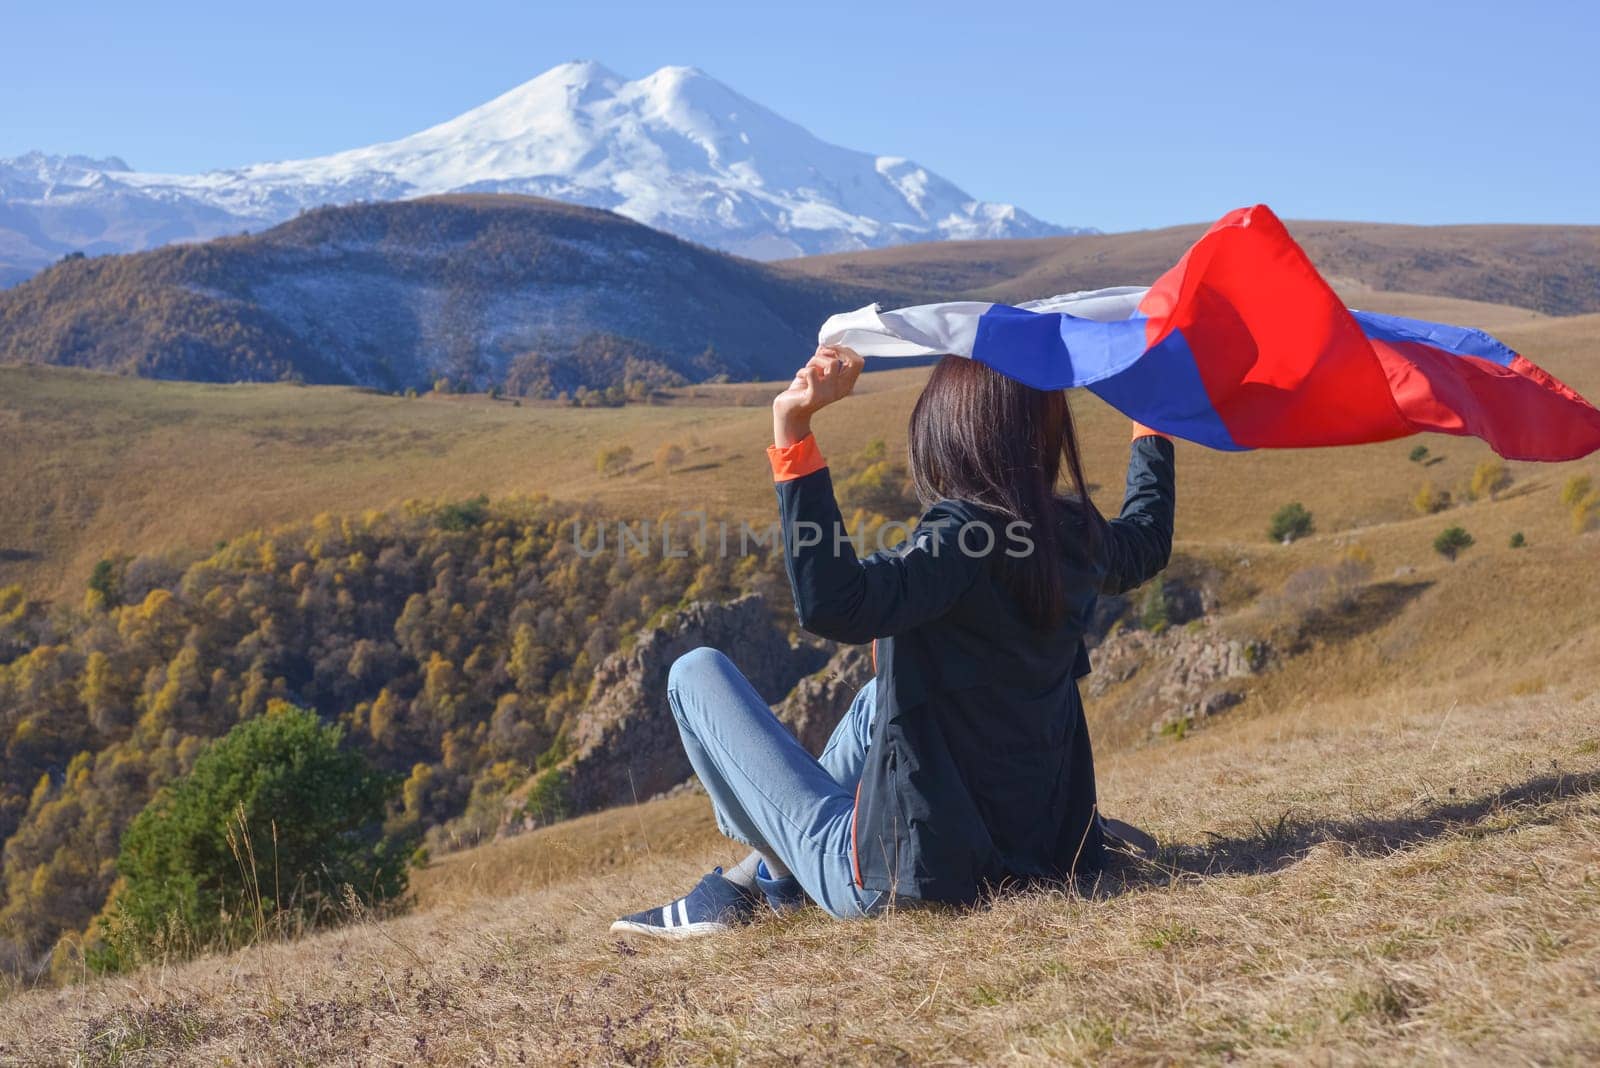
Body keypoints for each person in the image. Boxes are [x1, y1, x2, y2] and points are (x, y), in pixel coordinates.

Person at [612, 345, 1174, 939]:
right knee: (878, 697)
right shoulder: (1074, 534)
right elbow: (1147, 536)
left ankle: (767, 878)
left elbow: (835, 602)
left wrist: (793, 429)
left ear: (952, 427)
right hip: (1038, 848)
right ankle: (758, 880)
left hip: (903, 875)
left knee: (694, 673)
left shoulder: (963, 535)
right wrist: (1152, 418)